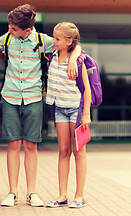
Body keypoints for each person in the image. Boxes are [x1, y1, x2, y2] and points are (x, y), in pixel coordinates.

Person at [0, 4, 82, 207]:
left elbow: (73, 46)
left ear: (27, 29)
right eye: (9, 26)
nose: (9, 30)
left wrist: (73, 59)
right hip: (10, 97)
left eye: (13, 28)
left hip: (33, 98)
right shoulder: (6, 39)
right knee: (13, 144)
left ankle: (31, 193)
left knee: (31, 145)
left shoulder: (43, 41)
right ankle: (12, 192)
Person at [45, 22, 90, 209]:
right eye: (53, 37)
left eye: (57, 38)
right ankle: (62, 195)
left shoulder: (78, 60)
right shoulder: (51, 55)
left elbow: (86, 90)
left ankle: (79, 196)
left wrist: (86, 114)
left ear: (69, 41)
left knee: (79, 153)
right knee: (63, 152)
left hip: (76, 110)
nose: (53, 41)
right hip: (60, 109)